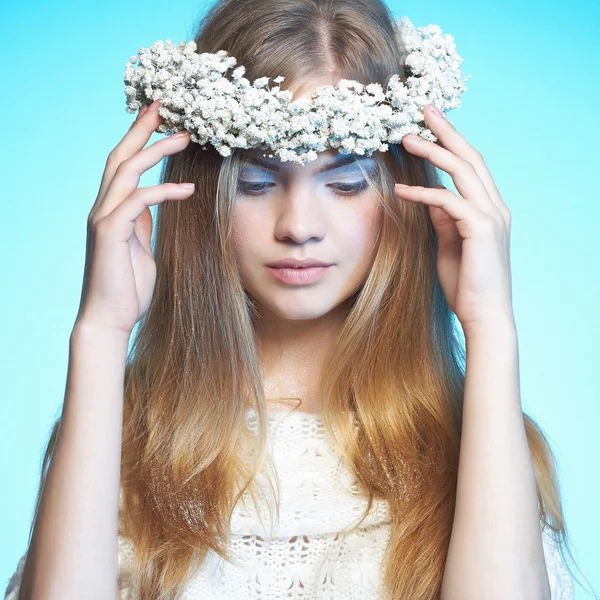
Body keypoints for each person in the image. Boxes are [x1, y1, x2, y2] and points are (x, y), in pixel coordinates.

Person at [4, 0, 587, 598]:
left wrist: (491, 327)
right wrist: (100, 331)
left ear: (402, 192)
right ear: (202, 197)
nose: (300, 225)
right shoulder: (124, 443)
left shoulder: (482, 447)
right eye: (256, 183)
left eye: (345, 182)